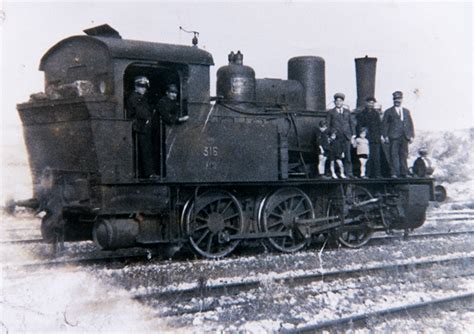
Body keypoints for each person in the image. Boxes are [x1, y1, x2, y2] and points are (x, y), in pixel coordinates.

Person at [126, 76, 155, 178]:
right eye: (141, 86)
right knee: (144, 150)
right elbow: (140, 112)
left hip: (143, 127)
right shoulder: (134, 97)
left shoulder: (141, 98)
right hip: (139, 127)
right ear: (136, 86)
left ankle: (146, 173)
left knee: (145, 149)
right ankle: (148, 173)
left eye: (145, 87)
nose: (144, 89)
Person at [382, 91, 415, 178]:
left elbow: (410, 124)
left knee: (404, 154)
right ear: (393, 100)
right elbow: (384, 124)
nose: (397, 101)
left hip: (404, 136)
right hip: (394, 136)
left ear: (402, 99)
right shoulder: (388, 112)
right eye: (395, 99)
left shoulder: (406, 111)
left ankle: (404, 172)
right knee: (394, 154)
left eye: (399, 99)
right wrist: (385, 136)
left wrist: (411, 135)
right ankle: (394, 173)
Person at [326, 93, 355, 177]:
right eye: (337, 101)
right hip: (336, 137)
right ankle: (335, 173)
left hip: (346, 136)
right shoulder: (330, 112)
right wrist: (331, 134)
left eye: (340, 101)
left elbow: (351, 123)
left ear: (343, 102)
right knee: (336, 155)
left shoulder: (347, 112)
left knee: (348, 155)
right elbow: (328, 124)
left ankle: (349, 173)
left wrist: (353, 135)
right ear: (334, 102)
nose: (338, 102)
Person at [356, 97, 383, 178]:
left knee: (376, 157)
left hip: (375, 138)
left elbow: (379, 126)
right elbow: (359, 126)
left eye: (372, 103)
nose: (371, 104)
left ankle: (377, 174)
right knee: (367, 157)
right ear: (366, 103)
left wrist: (380, 136)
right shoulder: (361, 114)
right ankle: (367, 174)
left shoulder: (376, 114)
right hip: (365, 139)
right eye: (369, 103)